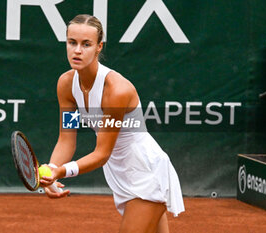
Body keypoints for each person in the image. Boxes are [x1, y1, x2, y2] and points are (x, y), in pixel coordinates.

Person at [40, 14, 184, 233]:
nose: (77, 50)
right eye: (72, 42)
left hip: (144, 171)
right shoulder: (67, 84)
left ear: (99, 47)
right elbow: (66, 139)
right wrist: (51, 171)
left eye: (86, 44)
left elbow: (102, 153)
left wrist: (61, 171)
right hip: (119, 171)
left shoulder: (116, 90)